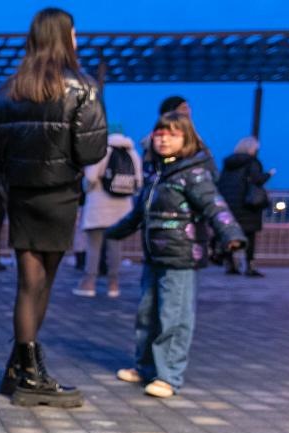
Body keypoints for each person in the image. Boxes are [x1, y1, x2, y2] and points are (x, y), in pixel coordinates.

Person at [0, 7, 107, 407]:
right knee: (43, 284)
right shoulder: (83, 87)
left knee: (27, 283)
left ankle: (18, 369)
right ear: (65, 37)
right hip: (61, 194)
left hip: (22, 194)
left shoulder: (7, 90)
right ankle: (31, 376)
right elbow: (92, 150)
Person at [106, 112, 245, 398]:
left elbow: (215, 206)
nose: (164, 139)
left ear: (186, 138)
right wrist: (115, 231)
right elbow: (139, 213)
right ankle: (144, 367)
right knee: (146, 315)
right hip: (154, 256)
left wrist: (231, 234)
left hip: (181, 257)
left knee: (175, 317)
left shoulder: (194, 173)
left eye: (172, 134)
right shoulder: (155, 173)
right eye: (159, 133)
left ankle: (168, 376)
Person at [73, 131, 143, 298]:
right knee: (115, 246)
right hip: (121, 208)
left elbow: (90, 177)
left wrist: (87, 190)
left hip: (98, 205)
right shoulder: (132, 153)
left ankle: (89, 283)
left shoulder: (101, 152)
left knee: (93, 246)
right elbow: (138, 182)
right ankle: (113, 284)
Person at [217, 136, 273, 277]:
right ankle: (249, 266)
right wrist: (268, 174)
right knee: (249, 236)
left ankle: (230, 264)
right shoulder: (252, 162)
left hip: (230, 204)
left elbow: (221, 182)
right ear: (251, 148)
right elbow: (257, 180)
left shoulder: (228, 164)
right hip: (247, 205)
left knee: (230, 234)